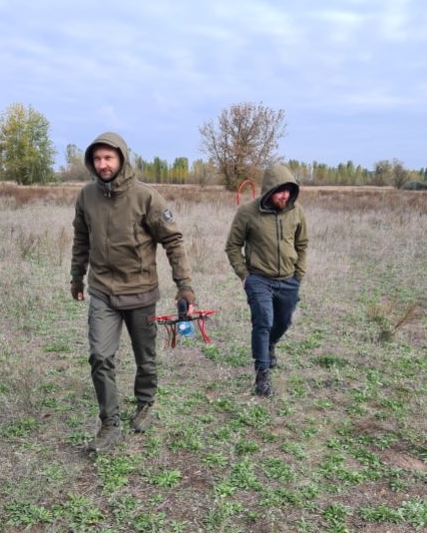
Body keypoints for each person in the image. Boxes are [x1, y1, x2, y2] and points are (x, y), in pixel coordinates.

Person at [70, 131, 195, 452]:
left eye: (108, 158)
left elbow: (173, 240)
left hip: (140, 291)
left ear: (121, 158)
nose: (102, 164)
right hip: (102, 291)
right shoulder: (86, 197)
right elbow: (81, 240)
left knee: (145, 357)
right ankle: (109, 424)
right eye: (97, 159)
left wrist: (184, 287)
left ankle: (145, 403)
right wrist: (77, 277)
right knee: (100, 356)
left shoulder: (147, 198)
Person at [224, 163, 308, 397]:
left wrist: (298, 275)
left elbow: (302, 244)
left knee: (283, 322)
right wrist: (245, 276)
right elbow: (232, 246)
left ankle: (271, 345)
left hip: (289, 279)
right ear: (270, 190)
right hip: (259, 279)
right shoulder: (247, 212)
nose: (285, 195)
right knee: (263, 322)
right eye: (281, 190)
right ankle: (262, 374)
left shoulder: (297, 211)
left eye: (289, 190)